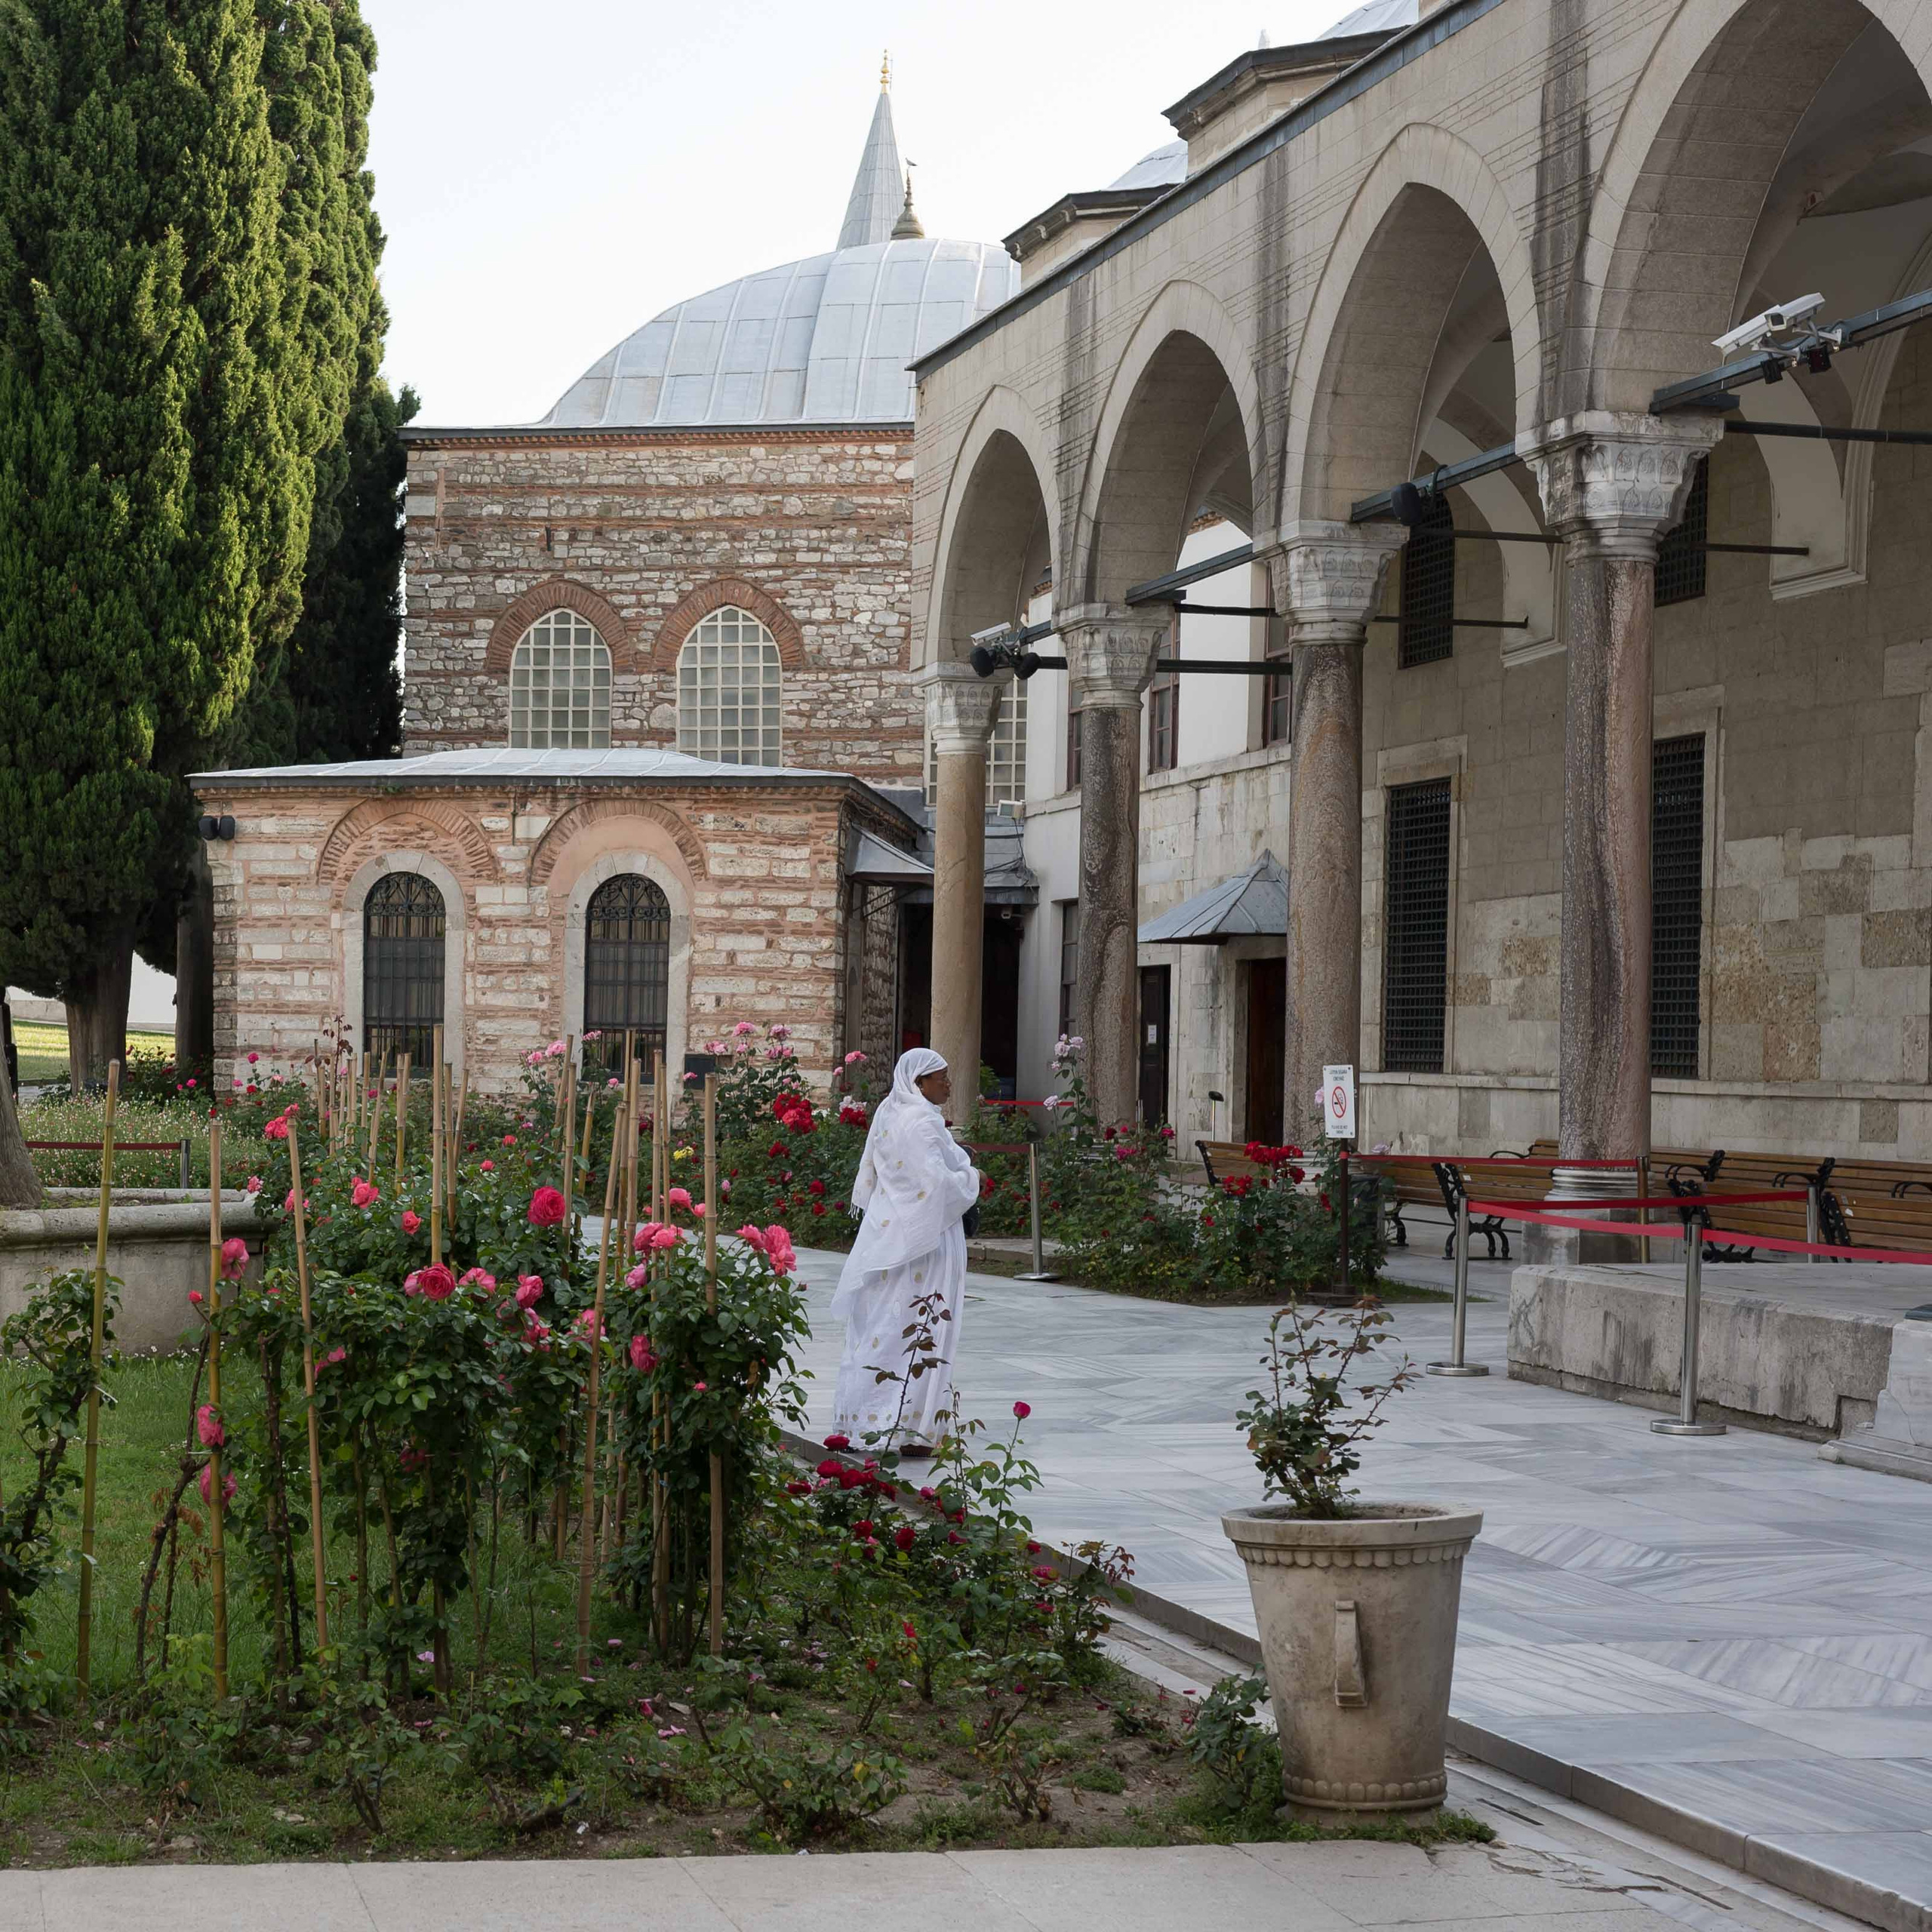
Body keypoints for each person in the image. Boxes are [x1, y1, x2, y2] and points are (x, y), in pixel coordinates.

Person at [829, 1048, 980, 1455]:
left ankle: (866, 1417)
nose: (948, 1085)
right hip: (927, 1239)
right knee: (927, 1325)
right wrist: (973, 1177)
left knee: (881, 1326)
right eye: (942, 1078)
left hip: (886, 1234)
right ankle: (913, 1429)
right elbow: (935, 1184)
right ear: (920, 1083)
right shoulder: (922, 1121)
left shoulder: (890, 1113)